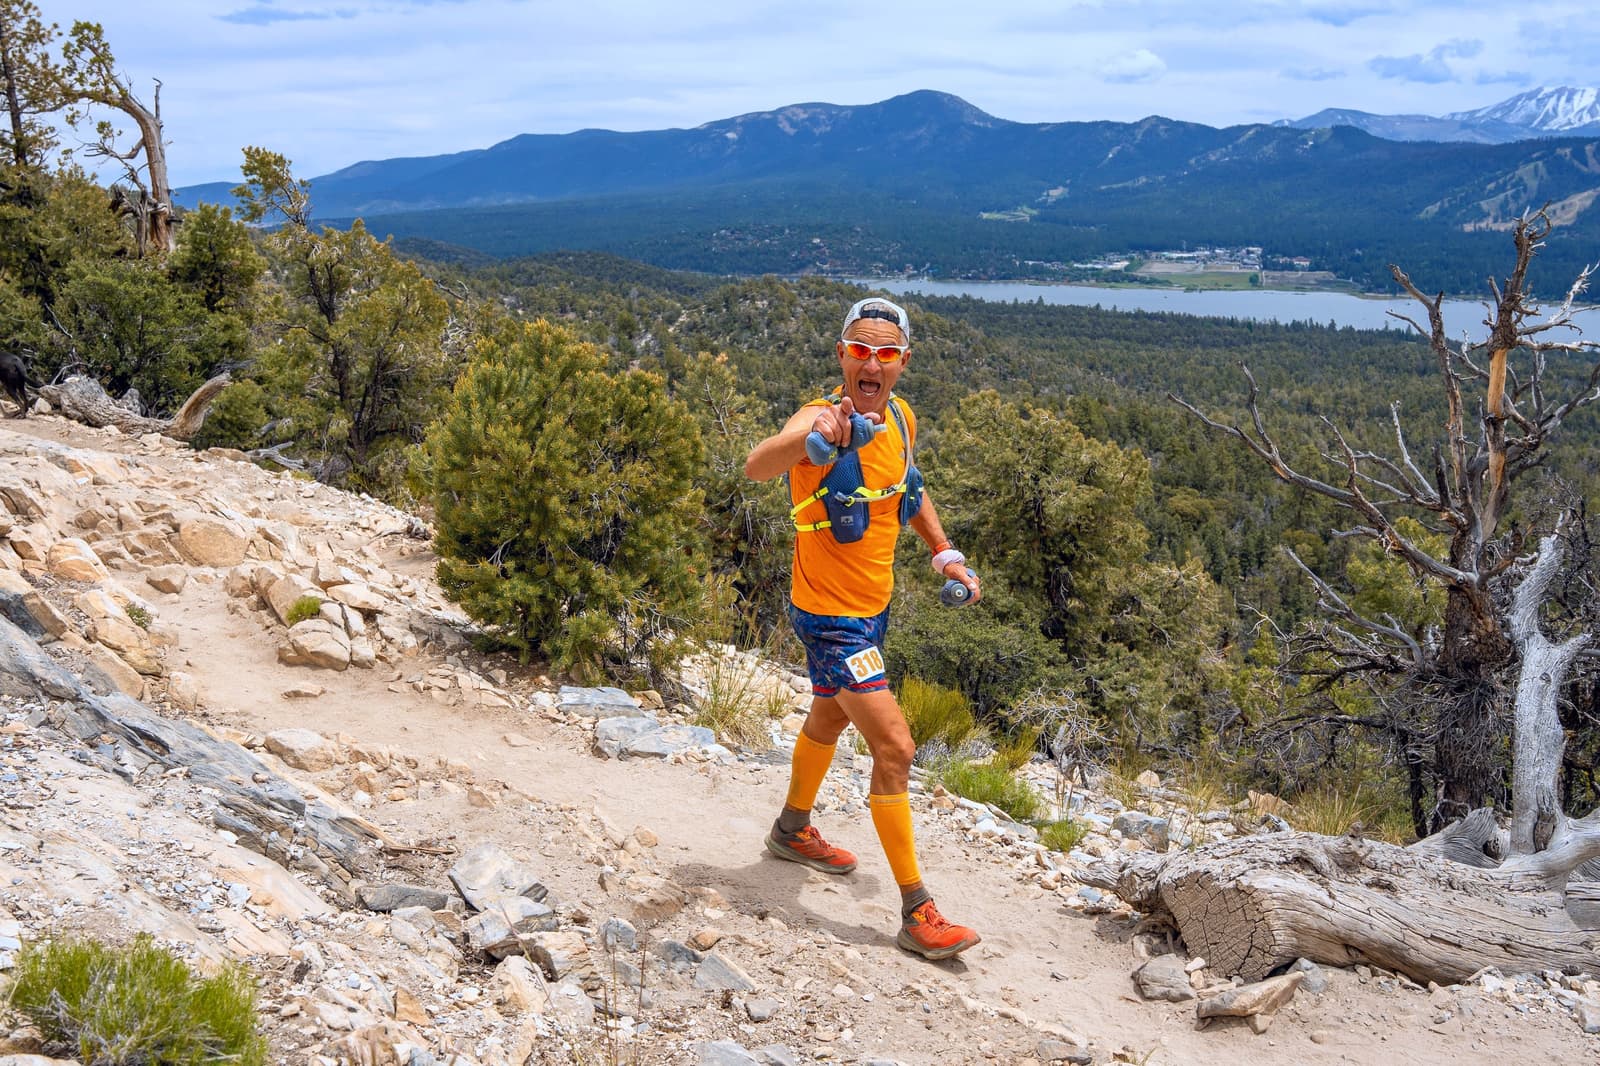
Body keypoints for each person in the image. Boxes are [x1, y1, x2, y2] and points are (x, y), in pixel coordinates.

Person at [744, 295, 983, 960]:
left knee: (828, 718)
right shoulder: (821, 417)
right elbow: (758, 464)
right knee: (897, 747)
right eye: (858, 350)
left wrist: (945, 553)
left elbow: (909, 488)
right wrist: (811, 442)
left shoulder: (900, 418)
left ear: (903, 362)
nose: (869, 363)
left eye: (884, 353)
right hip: (831, 622)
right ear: (842, 357)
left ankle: (791, 831)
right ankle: (917, 914)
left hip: (870, 611)